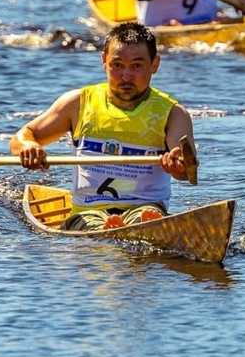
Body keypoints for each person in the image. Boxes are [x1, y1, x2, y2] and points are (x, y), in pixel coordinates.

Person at [11, 21, 195, 230]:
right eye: (117, 65)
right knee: (94, 223)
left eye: (137, 66)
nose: (126, 76)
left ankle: (138, 227)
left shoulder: (174, 114)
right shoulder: (77, 103)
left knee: (144, 216)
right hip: (89, 211)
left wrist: (178, 165)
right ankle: (109, 231)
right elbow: (23, 136)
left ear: (154, 65)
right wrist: (29, 147)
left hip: (145, 207)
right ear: (104, 61)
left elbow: (187, 172)